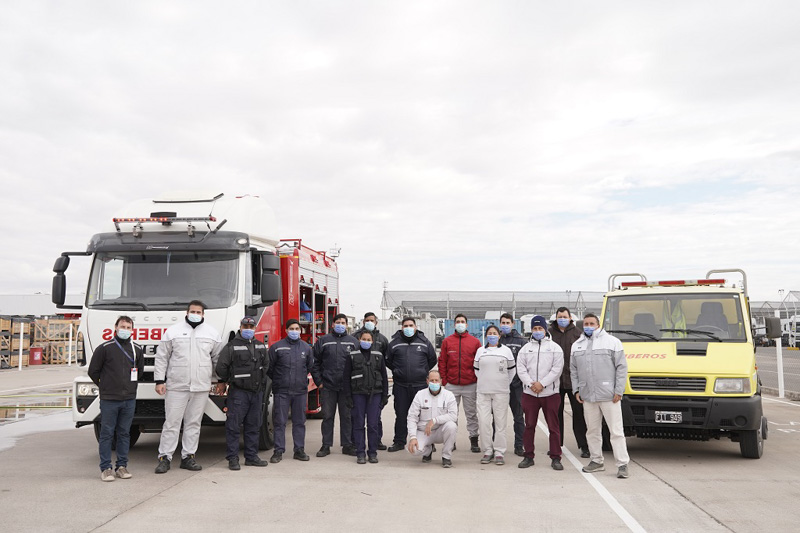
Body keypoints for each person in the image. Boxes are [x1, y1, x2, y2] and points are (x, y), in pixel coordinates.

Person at [154, 301, 223, 474]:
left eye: (198, 312)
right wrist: (159, 380)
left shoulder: (212, 333)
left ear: (203, 314)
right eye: (193, 311)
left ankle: (188, 457)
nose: (195, 314)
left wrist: (220, 380)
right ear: (187, 312)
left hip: (201, 387)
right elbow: (162, 357)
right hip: (177, 386)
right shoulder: (173, 332)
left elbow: (217, 360)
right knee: (172, 423)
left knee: (193, 423)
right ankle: (165, 457)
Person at [571, 313, 631, 479]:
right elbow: (573, 370)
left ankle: (622, 464)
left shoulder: (612, 342)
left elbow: (621, 367)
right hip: (588, 396)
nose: (589, 326)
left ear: (598, 325)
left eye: (592, 323)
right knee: (592, 431)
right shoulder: (577, 345)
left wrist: (619, 390)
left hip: (609, 395)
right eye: (586, 324)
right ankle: (596, 461)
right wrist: (576, 390)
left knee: (616, 431)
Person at [87, 315, 145, 482]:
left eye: (128, 327)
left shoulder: (137, 349)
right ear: (116, 327)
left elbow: (139, 372)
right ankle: (106, 468)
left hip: (129, 399)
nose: (125, 330)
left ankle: (122, 466)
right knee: (107, 434)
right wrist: (105, 386)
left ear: (132, 330)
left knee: (124, 433)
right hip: (109, 400)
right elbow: (93, 371)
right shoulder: (104, 348)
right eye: (122, 327)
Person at [215, 317, 269, 470]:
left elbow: (266, 364)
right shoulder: (231, 346)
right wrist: (227, 380)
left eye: (251, 326)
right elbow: (221, 367)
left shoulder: (260, 345)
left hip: (256, 393)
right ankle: (233, 459)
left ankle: (251, 457)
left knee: (254, 425)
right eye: (245, 326)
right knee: (233, 427)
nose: (248, 329)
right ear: (240, 327)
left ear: (255, 328)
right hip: (239, 393)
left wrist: (259, 380)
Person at [516, 315, 564, 470]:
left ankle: (556, 457)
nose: (537, 331)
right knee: (529, 426)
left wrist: (542, 384)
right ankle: (528, 456)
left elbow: (557, 369)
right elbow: (521, 369)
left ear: (545, 329)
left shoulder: (555, 348)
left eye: (540, 328)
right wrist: (531, 384)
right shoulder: (525, 349)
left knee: (553, 427)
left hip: (550, 394)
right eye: (535, 328)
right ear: (531, 330)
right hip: (530, 394)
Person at [386, 317, 437, 452]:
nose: (408, 328)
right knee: (401, 414)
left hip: (420, 385)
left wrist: (422, 371)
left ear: (415, 327)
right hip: (401, 385)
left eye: (411, 325)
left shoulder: (424, 342)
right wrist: (397, 371)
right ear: (402, 328)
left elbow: (432, 359)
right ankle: (399, 442)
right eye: (405, 326)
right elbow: (388, 361)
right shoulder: (394, 343)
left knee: (423, 415)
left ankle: (428, 442)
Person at [267, 319, 314, 463]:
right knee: (280, 422)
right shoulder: (277, 347)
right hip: (282, 391)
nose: (294, 331)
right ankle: (278, 451)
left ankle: (299, 450)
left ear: (300, 330)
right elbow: (270, 369)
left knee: (299, 422)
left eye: (297, 329)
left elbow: (309, 366)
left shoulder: (306, 348)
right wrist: (280, 380)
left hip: (300, 391)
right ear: (286, 330)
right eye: (291, 329)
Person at [311, 313, 358, 457]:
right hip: (328, 386)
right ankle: (326, 445)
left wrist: (354, 383)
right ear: (332, 324)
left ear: (346, 325)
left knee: (347, 417)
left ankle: (347, 445)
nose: (340, 325)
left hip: (346, 387)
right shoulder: (323, 341)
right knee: (327, 416)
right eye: (338, 322)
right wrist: (319, 382)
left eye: (343, 323)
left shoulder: (353, 342)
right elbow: (314, 362)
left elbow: (358, 364)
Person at [342, 331, 389, 464]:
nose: (366, 341)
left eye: (369, 340)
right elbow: (346, 378)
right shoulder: (352, 356)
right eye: (364, 339)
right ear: (359, 339)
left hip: (375, 394)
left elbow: (384, 377)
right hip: (358, 395)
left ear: (372, 341)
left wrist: (384, 396)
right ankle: (360, 453)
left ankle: (373, 453)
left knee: (373, 425)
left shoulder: (378, 356)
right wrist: (348, 397)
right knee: (358, 424)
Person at [549, 307, 590, 458]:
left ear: (570, 318)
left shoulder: (578, 334)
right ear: (556, 318)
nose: (562, 319)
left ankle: (584, 446)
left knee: (579, 415)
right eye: (560, 317)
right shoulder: (549, 334)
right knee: (556, 415)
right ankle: (556, 446)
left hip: (574, 382)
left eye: (564, 316)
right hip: (555, 382)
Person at [439, 313, 482, 453]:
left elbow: (480, 362)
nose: (460, 324)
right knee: (451, 414)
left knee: (471, 414)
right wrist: (444, 380)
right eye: (458, 321)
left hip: (470, 384)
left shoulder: (475, 342)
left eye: (462, 321)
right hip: (451, 385)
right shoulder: (447, 341)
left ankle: (474, 440)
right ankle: (451, 441)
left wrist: (477, 379)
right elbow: (442, 361)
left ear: (467, 324)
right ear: (454, 324)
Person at [474, 324, 516, 465]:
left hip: (501, 392)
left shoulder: (506, 351)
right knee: (484, 422)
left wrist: (503, 382)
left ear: (499, 335)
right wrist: (485, 380)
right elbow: (476, 370)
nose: (492, 335)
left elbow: (512, 370)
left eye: (494, 333)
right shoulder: (480, 351)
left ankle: (499, 452)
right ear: (486, 336)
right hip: (483, 392)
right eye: (489, 333)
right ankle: (487, 450)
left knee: (500, 423)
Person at [353, 312, 390, 450]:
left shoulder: (382, 339)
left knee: (375, 419)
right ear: (363, 321)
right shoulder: (354, 337)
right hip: (359, 386)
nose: (369, 322)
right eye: (367, 320)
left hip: (375, 386)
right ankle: (356, 444)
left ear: (376, 322)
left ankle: (376, 442)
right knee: (357, 419)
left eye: (372, 320)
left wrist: (384, 393)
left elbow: (387, 360)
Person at [406, 371, 458, 468]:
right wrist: (413, 437)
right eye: (432, 380)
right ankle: (428, 450)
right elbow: (412, 417)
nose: (434, 383)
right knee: (413, 450)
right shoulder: (420, 395)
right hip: (424, 431)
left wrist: (434, 420)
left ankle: (446, 456)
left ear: (441, 381)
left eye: (436, 380)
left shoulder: (448, 395)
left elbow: (453, 415)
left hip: (440, 431)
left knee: (452, 426)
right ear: (427, 381)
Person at [499, 313, 526, 457]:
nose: (505, 325)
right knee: (497, 418)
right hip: (499, 387)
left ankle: (519, 445)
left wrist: (522, 381)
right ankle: (496, 445)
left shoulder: (521, 341)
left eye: (507, 323)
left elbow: (525, 363)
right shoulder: (497, 340)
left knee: (519, 418)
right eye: (503, 323)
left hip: (516, 387)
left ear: (512, 324)